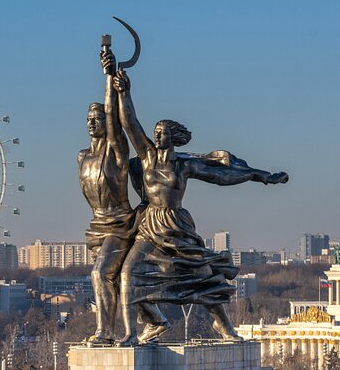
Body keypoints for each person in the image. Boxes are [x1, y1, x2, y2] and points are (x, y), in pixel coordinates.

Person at [113, 70, 288, 345]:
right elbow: (129, 122)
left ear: (174, 137)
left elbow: (223, 176)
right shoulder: (146, 156)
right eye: (156, 132)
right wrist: (124, 92)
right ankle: (137, 330)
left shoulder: (184, 165)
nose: (157, 136)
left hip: (176, 225)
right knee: (127, 273)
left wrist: (262, 176)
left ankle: (224, 326)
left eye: (163, 133)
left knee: (203, 276)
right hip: (149, 225)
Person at [77, 49, 148, 343]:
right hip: (96, 227)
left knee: (99, 274)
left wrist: (108, 76)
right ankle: (157, 320)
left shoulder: (116, 151)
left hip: (119, 225)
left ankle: (105, 332)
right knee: (116, 282)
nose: (93, 122)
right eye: (89, 118)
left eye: (97, 118)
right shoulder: (82, 157)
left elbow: (114, 117)